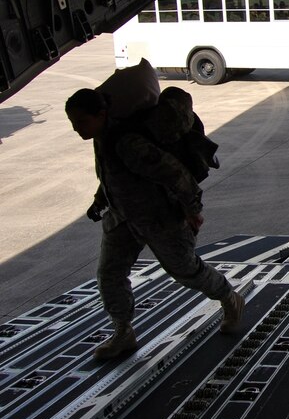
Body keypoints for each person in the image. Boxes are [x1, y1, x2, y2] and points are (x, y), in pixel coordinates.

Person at [65, 88, 244, 361]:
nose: (77, 129)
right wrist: (99, 200)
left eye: (81, 122)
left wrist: (192, 210)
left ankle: (230, 299)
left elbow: (174, 173)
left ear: (101, 115)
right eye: (73, 123)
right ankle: (123, 331)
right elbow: (111, 175)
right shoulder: (100, 138)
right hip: (122, 218)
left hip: (158, 218)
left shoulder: (128, 143)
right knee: (109, 274)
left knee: (186, 270)